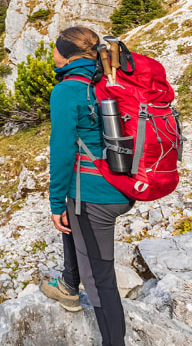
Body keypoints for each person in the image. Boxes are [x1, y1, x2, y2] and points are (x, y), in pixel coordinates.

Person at [39, 27, 133, 346]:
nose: (51, 54)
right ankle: (68, 284)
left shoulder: (67, 90)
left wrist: (54, 204)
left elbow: (63, 153)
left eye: (54, 48)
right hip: (122, 183)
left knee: (101, 282)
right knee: (73, 216)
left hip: (96, 197)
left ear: (65, 55)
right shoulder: (107, 78)